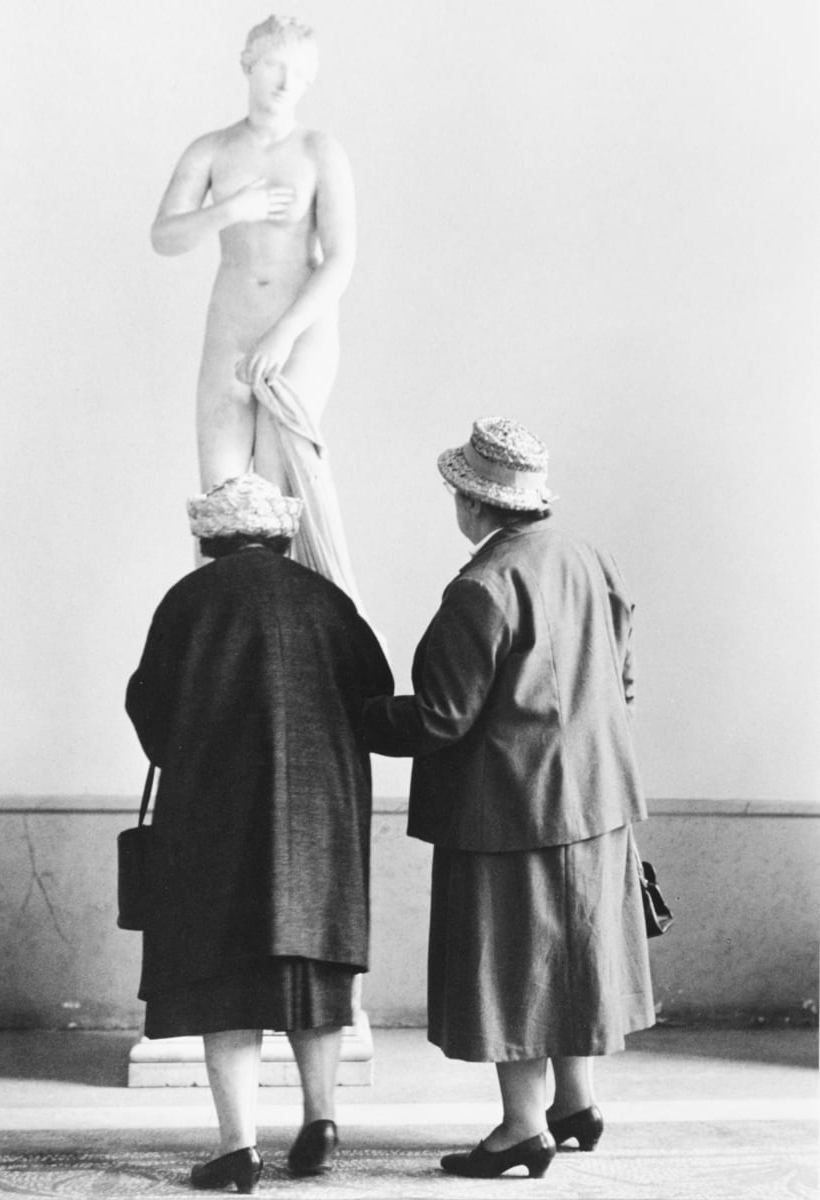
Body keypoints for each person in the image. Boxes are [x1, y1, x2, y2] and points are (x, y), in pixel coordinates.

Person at [363, 417, 655, 1181]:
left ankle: (522, 1129)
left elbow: (439, 716)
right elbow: (623, 680)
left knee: (515, 966)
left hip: (510, 812)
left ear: (472, 502)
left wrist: (353, 714)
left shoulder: (481, 587)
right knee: (576, 951)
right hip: (598, 796)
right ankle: (575, 1104)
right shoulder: (592, 558)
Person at [126, 473, 392, 1193]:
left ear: (209, 537)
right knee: (312, 969)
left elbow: (150, 710)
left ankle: (238, 1147)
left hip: (217, 820)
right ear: (280, 536)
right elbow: (376, 702)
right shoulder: (329, 602)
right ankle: (320, 1117)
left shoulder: (188, 601)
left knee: (226, 973)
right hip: (321, 818)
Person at [151, 15, 359, 599]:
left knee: (273, 495)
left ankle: (284, 645)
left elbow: (340, 260)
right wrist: (230, 209)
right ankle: (220, 654)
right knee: (220, 504)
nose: (284, 82)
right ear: (248, 63)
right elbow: (164, 236)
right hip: (232, 326)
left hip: (299, 333)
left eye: (298, 73)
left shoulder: (320, 151)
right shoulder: (213, 150)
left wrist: (285, 335)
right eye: (273, 65)